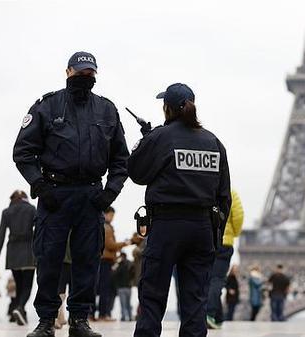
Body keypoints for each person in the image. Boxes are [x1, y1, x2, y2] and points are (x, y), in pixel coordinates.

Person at [13, 51, 130, 337]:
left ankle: (80, 320)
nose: (84, 78)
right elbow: (23, 152)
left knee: (88, 260)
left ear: (95, 75)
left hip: (91, 195)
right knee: (48, 258)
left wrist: (109, 193)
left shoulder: (107, 110)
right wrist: (39, 186)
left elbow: (121, 160)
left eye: (89, 74)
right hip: (54, 195)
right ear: (67, 73)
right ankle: (46, 320)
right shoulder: (47, 106)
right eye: (80, 73)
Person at [128, 83, 231, 337]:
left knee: (152, 296)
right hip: (202, 227)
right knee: (195, 300)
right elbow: (224, 195)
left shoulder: (161, 137)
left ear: (167, 108)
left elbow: (136, 172)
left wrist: (146, 140)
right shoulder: (213, 142)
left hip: (166, 225)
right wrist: (214, 236)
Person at [0, 190, 36, 326]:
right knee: (27, 285)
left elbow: (1, 234)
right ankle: (20, 308)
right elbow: (40, 229)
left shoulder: (7, 212)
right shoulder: (31, 209)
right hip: (29, 250)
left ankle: (21, 311)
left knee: (19, 285)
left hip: (13, 252)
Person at [206, 189, 244, 329]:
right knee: (217, 280)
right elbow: (238, 217)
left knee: (206, 279)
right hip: (224, 242)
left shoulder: (204, 189)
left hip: (205, 240)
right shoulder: (230, 192)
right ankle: (209, 313)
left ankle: (217, 318)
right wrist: (234, 233)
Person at [94, 207, 130, 321]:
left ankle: (99, 313)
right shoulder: (106, 227)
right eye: (111, 215)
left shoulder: (104, 226)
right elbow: (110, 245)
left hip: (104, 260)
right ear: (106, 214)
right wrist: (125, 243)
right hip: (105, 261)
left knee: (101, 288)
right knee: (104, 288)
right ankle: (103, 314)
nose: (112, 218)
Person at [55, 235, 72, 329]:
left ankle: (61, 316)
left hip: (67, 259)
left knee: (62, 290)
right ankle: (57, 316)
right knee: (61, 290)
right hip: (65, 259)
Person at [114, 252, 135, 321]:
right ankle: (130, 317)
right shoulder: (130, 264)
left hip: (121, 287)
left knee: (123, 303)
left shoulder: (120, 265)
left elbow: (115, 274)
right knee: (128, 303)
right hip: (128, 287)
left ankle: (123, 317)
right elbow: (133, 274)